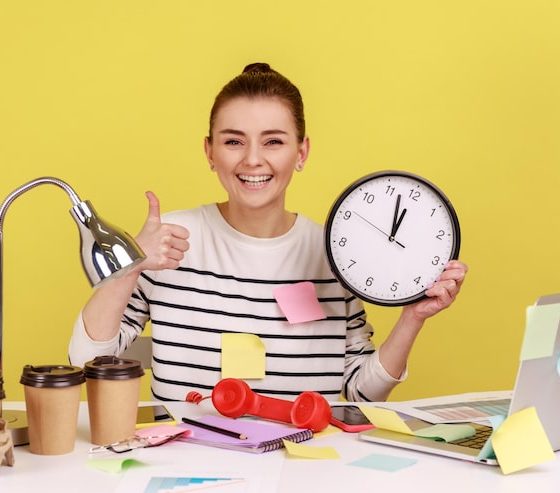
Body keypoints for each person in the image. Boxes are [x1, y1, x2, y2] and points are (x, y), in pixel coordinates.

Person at [69, 63, 468, 402]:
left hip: (305, 472)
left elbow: (360, 392)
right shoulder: (168, 241)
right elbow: (85, 362)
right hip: (190, 472)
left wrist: (413, 317)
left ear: (301, 152)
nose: (253, 159)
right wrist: (132, 264)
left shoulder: (334, 253)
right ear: (210, 152)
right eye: (233, 141)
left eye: (273, 141)